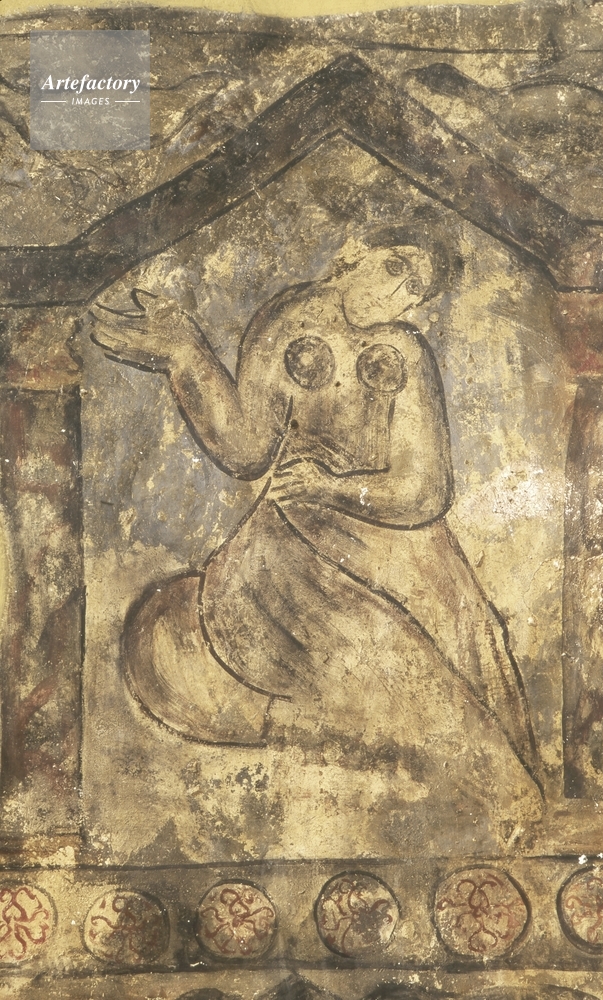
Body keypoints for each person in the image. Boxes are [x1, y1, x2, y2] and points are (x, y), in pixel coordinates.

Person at [90, 225, 543, 841]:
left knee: (475, 637)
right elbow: (247, 449)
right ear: (354, 251)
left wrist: (333, 486)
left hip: (405, 541)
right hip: (296, 538)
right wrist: (186, 354)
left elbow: (425, 490)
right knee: (386, 660)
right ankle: (502, 807)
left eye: (416, 289)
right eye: (395, 268)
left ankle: (511, 827)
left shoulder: (404, 349)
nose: (402, 297)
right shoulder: (286, 322)